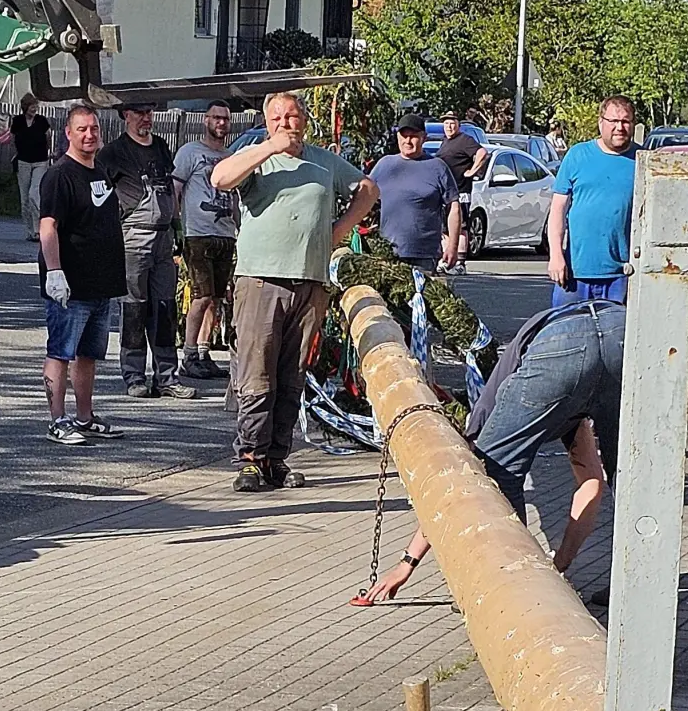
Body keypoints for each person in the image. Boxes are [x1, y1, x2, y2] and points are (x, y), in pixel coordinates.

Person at [365, 300, 626, 602]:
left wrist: (406, 564)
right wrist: (560, 563)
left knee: (498, 472)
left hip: (562, 342)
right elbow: (592, 480)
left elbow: (465, 482)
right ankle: (636, 585)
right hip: (622, 328)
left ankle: (515, 586)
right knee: (630, 473)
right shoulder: (572, 401)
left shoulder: (491, 408)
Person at [211, 92, 380, 492]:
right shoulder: (257, 155)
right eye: (277, 117)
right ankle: (250, 457)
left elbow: (368, 189)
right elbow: (220, 178)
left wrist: (337, 231)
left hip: (309, 280)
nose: (286, 122)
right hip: (261, 279)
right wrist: (269, 147)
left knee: (291, 376)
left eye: (293, 115)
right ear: (267, 122)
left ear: (304, 120)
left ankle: (276, 459)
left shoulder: (322, 160)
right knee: (257, 373)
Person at [38, 105, 127, 446]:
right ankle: (57, 420)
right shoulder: (60, 175)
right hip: (70, 286)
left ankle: (84, 417)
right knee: (61, 351)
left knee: (89, 354)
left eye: (93, 129)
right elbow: (48, 226)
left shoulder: (100, 170)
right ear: (68, 133)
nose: (89, 135)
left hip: (100, 285)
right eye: (82, 130)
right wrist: (55, 272)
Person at [98, 101, 196, 400]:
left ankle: (167, 377)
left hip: (164, 240)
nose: (146, 119)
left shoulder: (162, 147)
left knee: (165, 310)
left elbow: (170, 190)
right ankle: (134, 375)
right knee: (134, 310)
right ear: (125, 115)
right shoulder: (113, 153)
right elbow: (100, 197)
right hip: (133, 239)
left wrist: (179, 229)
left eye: (149, 113)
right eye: (139, 113)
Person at [547, 96, 638, 306]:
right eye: (613, 121)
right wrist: (556, 256)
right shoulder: (578, 155)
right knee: (567, 333)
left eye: (625, 121)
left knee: (615, 337)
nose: (619, 127)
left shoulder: (642, 160)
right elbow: (558, 209)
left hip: (622, 275)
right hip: (574, 273)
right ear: (601, 122)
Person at [173, 101, 238, 381]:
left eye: (225, 119)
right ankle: (188, 354)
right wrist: (173, 228)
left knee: (216, 297)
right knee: (201, 295)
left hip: (225, 233)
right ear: (206, 120)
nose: (221, 123)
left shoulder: (231, 156)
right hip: (198, 233)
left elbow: (235, 195)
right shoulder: (190, 152)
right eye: (216, 118)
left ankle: (203, 350)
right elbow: (175, 188)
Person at [370, 114, 461, 273]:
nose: (408, 141)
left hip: (424, 255)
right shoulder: (385, 165)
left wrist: (453, 246)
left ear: (424, 138)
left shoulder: (437, 167)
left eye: (413, 136)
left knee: (421, 297)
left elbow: (453, 207)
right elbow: (364, 197)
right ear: (397, 137)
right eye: (404, 136)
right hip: (387, 254)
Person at [436, 111, 488, 273]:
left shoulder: (464, 140)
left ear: (458, 124)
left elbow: (482, 153)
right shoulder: (446, 141)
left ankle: (460, 263)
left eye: (452, 123)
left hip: (461, 192)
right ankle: (447, 261)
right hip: (446, 192)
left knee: (460, 227)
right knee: (445, 228)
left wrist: (472, 171)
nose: (449, 127)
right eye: (446, 124)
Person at [8, 94, 51, 242]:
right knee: (25, 199)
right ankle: (30, 231)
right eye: (32, 105)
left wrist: (48, 153)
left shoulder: (42, 121)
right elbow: (13, 139)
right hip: (23, 162)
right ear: (25, 106)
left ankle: (39, 230)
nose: (34, 108)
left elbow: (48, 138)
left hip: (40, 161)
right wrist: (17, 153)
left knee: (34, 194)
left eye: (36, 106)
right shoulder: (17, 121)